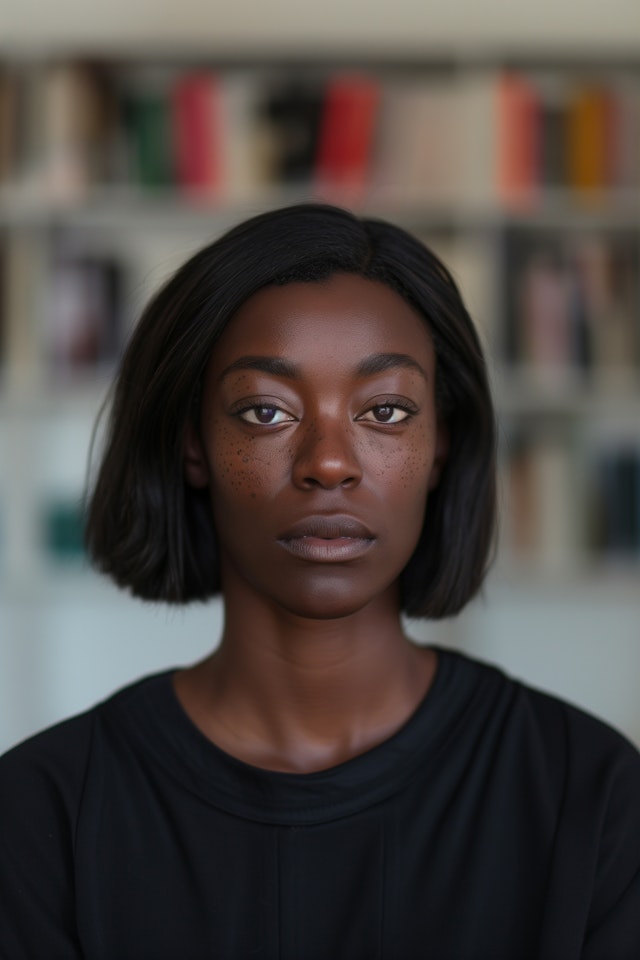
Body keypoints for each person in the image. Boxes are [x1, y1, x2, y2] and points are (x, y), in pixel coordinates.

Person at [0, 203, 638, 960]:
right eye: (266, 411)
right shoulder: (40, 814)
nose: (329, 462)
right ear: (193, 445)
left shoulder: (591, 797)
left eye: (388, 410)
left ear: (441, 447)